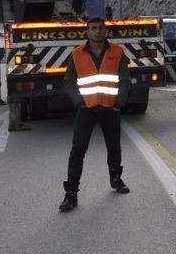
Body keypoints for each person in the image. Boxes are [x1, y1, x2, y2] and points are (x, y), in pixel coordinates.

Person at [59, 17, 131, 212]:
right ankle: (71, 194)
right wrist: (79, 101)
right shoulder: (76, 54)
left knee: (114, 147)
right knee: (77, 151)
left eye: (100, 28)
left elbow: (125, 80)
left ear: (105, 31)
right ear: (87, 31)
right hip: (87, 109)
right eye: (93, 28)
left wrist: (119, 104)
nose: (97, 31)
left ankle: (116, 179)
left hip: (110, 108)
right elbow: (68, 81)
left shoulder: (117, 52)